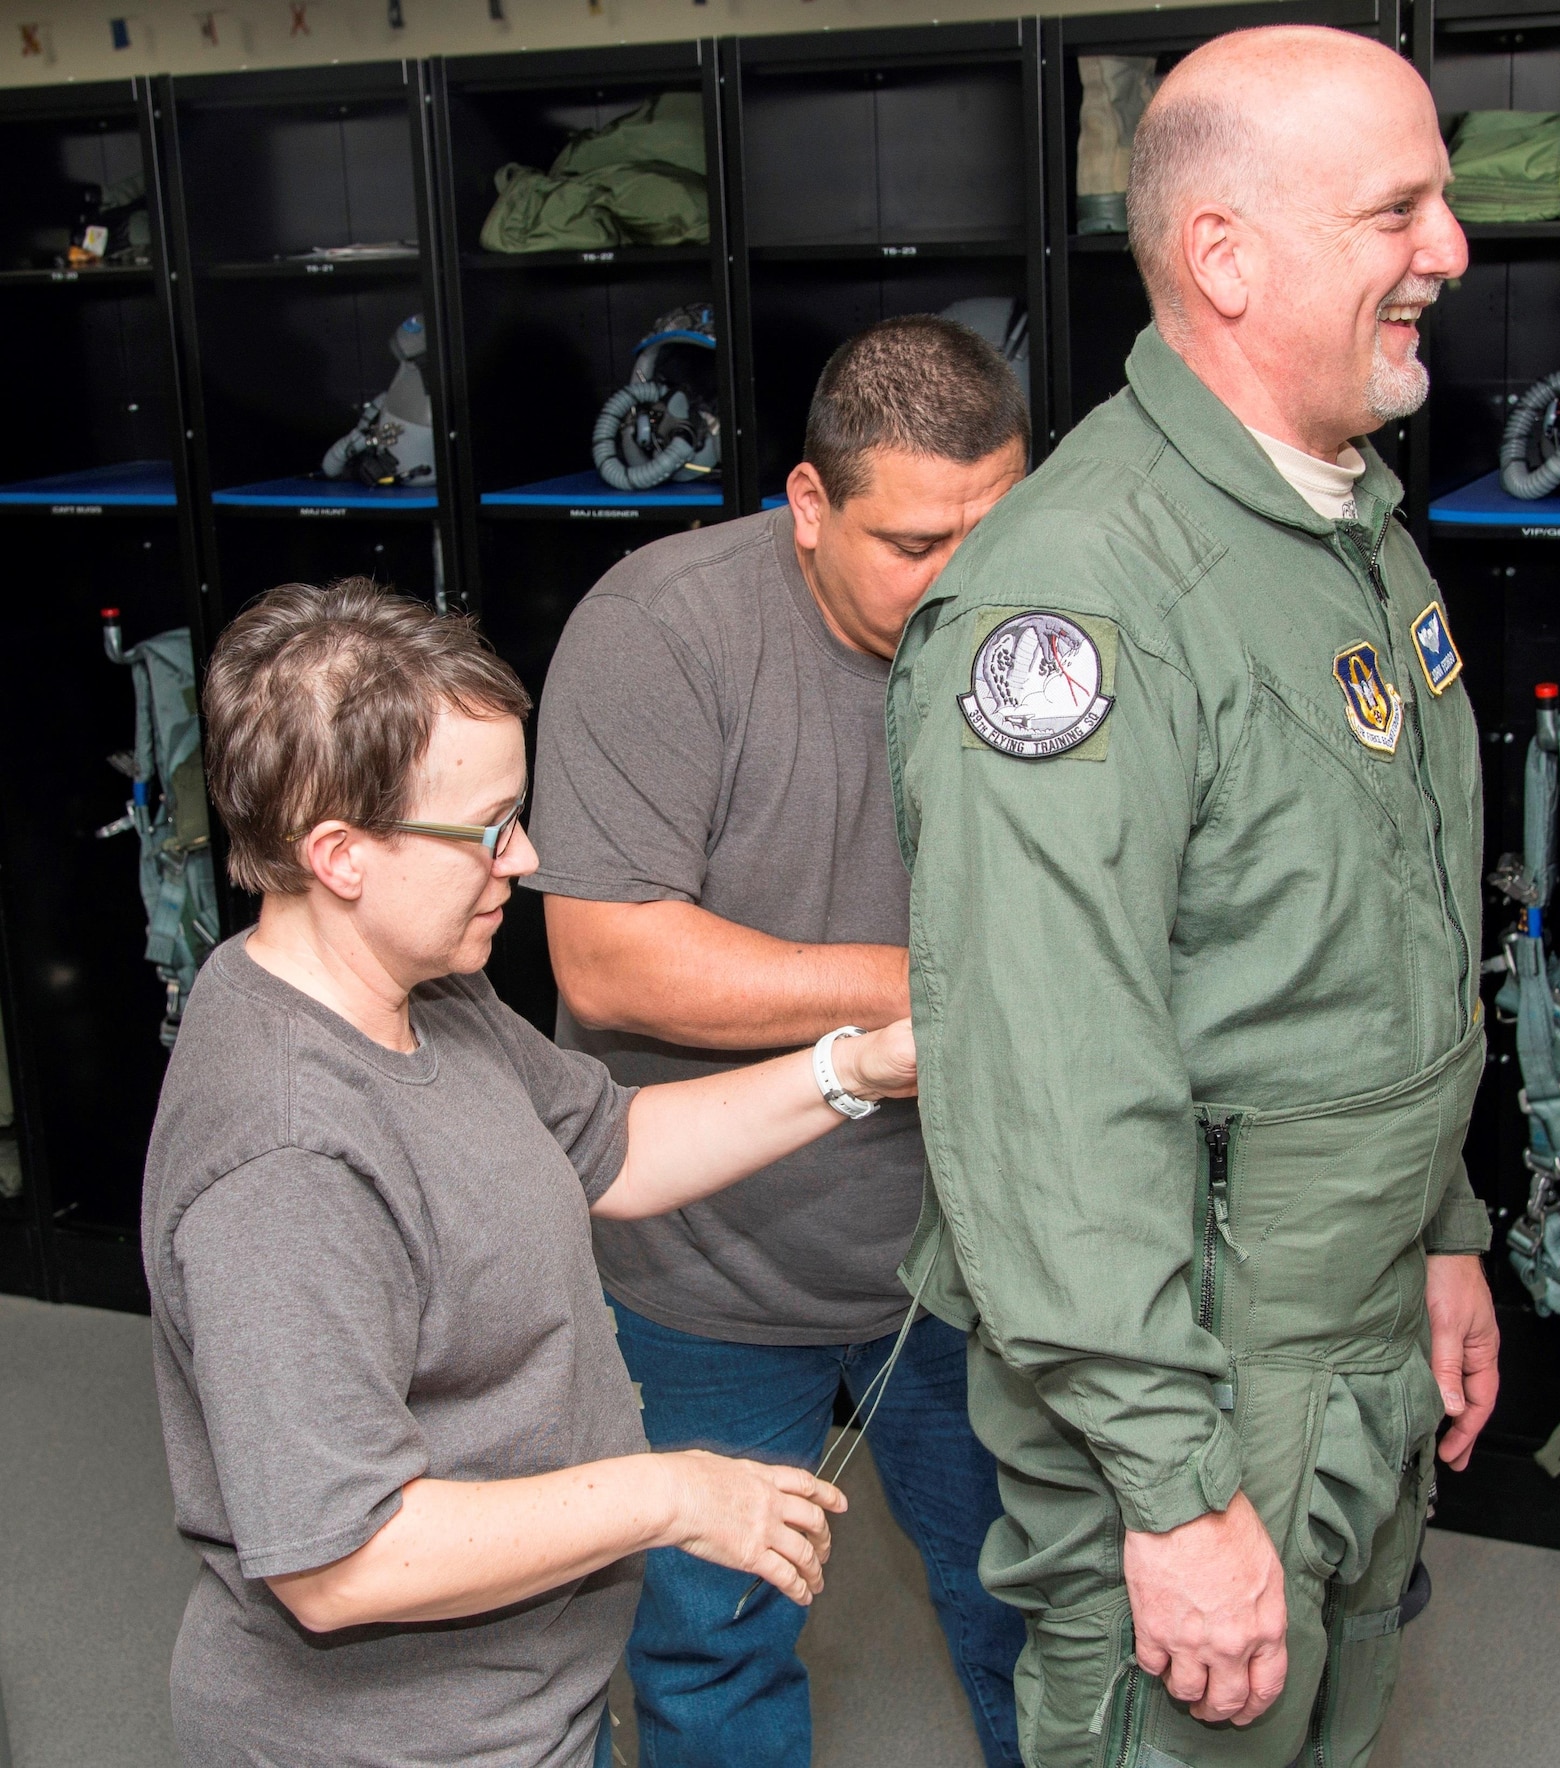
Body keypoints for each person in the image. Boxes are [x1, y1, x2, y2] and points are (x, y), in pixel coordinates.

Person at [883, 27, 1498, 1768]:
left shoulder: (1344, 522)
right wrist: (1172, 1490)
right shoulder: (1078, 606)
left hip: (1357, 1313)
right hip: (1199, 1370)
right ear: (1226, 255)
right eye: (1401, 206)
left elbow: (1375, 932)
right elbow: (1050, 1092)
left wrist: (1438, 1230)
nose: (1450, 249)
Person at [142, 581, 917, 1768]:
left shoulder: (425, 993)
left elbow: (616, 1146)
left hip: (527, 1708)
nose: (530, 855)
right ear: (340, 855)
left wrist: (855, 1066)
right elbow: (343, 1559)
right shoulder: (286, 1158)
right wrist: (673, 1495)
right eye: (489, 827)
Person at [528, 314, 1030, 1768]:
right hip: (708, 1263)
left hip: (961, 1251)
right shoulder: (660, 631)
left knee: (1034, 1616)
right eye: (916, 541)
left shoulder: (1038, 622)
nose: (966, 579)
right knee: (713, 1649)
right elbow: (609, 959)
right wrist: (920, 988)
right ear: (808, 509)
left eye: (992, 529)